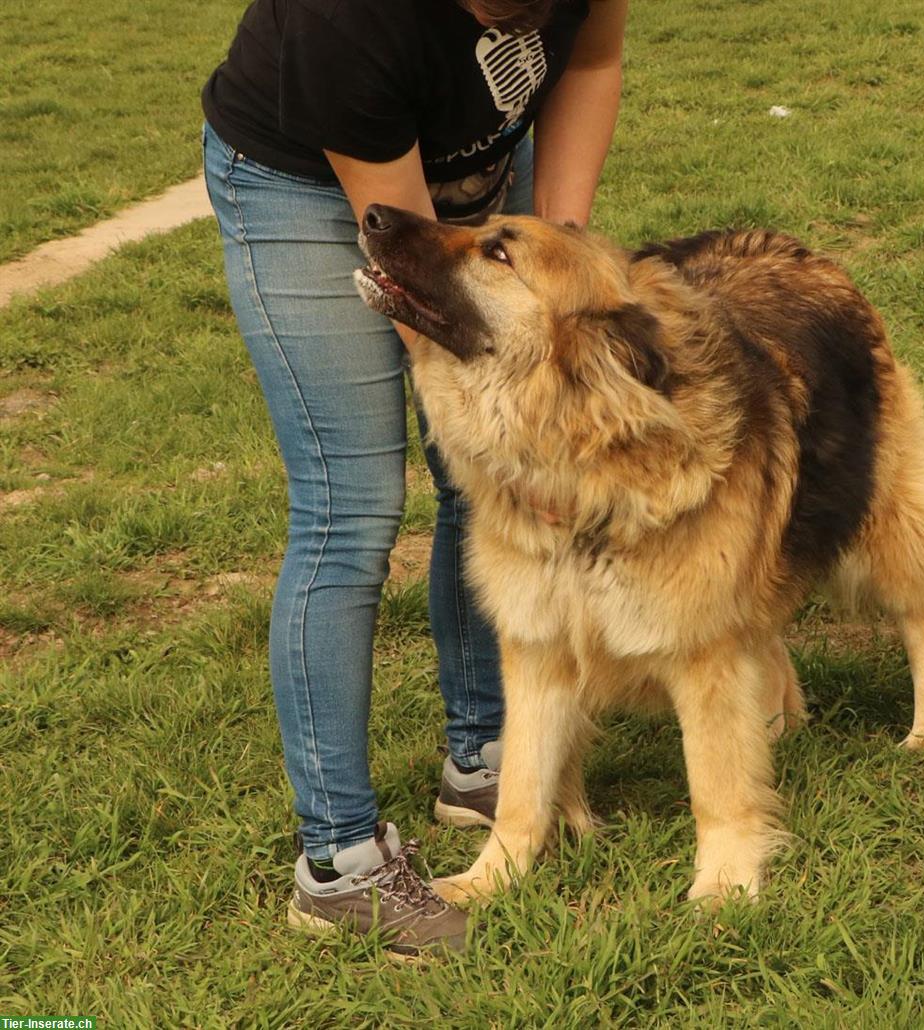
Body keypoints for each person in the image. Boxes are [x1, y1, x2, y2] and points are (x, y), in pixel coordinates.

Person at [201, 0, 627, 956]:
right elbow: (418, 283)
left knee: (476, 482)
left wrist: (551, 268)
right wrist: (513, 433)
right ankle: (338, 862)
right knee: (349, 507)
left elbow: (591, 63)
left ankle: (484, 756)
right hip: (306, 187)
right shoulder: (346, 18)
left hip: (475, 173)